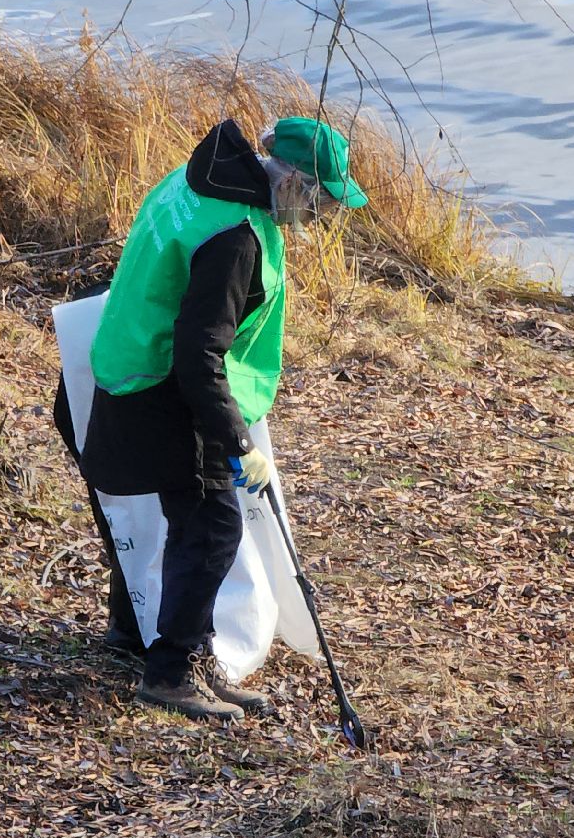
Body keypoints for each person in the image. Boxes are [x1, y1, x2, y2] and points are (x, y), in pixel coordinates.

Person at [72, 115, 367, 721]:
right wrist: (237, 441)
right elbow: (198, 351)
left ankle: (133, 637)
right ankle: (171, 672)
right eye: (320, 204)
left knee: (184, 518)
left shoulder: (198, 179)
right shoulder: (236, 236)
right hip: (156, 381)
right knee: (211, 529)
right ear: (293, 184)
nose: (319, 220)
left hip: (122, 356)